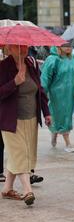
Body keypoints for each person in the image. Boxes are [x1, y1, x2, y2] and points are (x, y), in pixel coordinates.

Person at [0, 45, 51, 206]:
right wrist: (15, 82)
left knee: (22, 154)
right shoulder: (3, 66)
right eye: (18, 46)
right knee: (20, 153)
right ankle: (28, 190)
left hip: (31, 118)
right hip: (9, 119)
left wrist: (47, 112)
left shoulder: (32, 63)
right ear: (9, 48)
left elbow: (40, 90)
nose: (23, 48)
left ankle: (7, 189)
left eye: (25, 45)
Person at [41, 43, 74, 152]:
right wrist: (42, 93)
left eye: (70, 45)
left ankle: (54, 132)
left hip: (70, 94)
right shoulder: (53, 59)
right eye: (65, 45)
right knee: (61, 116)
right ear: (58, 46)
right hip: (56, 94)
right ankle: (68, 143)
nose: (68, 47)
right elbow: (45, 77)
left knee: (66, 115)